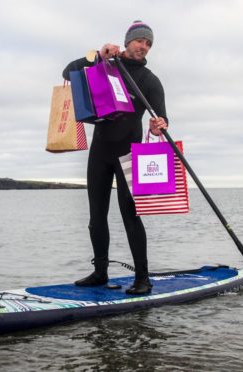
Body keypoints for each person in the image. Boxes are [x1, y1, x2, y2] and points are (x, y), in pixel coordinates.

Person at [62, 20, 169, 294]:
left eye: (148, 43)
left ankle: (142, 279)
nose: (143, 47)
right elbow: (68, 72)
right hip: (100, 151)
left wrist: (159, 125)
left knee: (130, 215)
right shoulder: (106, 65)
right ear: (128, 40)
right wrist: (97, 55)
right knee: (96, 215)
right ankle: (100, 272)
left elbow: (161, 116)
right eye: (139, 41)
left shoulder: (150, 81)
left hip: (129, 155)